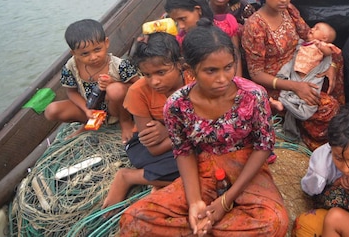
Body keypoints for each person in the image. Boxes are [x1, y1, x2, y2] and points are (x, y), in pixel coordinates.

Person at [119, 21, 288, 237]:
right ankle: (205, 225)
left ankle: (203, 229)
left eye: (228, 67)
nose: (222, 78)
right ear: (190, 70)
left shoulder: (253, 95)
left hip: (246, 167)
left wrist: (226, 201)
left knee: (273, 223)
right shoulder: (177, 104)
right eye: (211, 71)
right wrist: (195, 203)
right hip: (204, 168)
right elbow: (184, 151)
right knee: (135, 218)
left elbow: (263, 146)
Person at [241, 0, 340, 150]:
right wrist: (296, 87)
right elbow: (256, 74)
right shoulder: (255, 26)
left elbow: (307, 35)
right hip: (278, 82)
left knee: (335, 55)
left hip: (300, 66)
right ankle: (308, 136)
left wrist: (329, 65)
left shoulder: (289, 10)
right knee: (328, 108)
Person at [102, 31, 190, 209]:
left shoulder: (193, 81)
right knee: (190, 166)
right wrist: (182, 133)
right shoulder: (138, 92)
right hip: (147, 147)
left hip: (179, 137)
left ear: (179, 65)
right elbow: (154, 148)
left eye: (161, 72)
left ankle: (158, 180)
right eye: (147, 75)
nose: (155, 81)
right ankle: (128, 177)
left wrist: (169, 131)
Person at [293, 106, 349, 237]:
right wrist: (337, 184)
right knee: (330, 198)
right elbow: (310, 190)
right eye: (338, 158)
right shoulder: (321, 164)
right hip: (333, 192)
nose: (346, 168)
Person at [44, 19, 137, 143]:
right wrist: (87, 111)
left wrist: (113, 83)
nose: (93, 57)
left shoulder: (119, 65)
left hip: (117, 110)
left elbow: (139, 86)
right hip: (91, 109)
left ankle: (125, 122)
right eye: (84, 54)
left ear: (106, 43)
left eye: (97, 49)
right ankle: (90, 123)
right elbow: (71, 92)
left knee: (115, 90)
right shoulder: (72, 66)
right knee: (51, 111)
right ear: (74, 53)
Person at [165, 0, 243, 76]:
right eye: (176, 22)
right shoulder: (181, 40)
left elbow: (236, 55)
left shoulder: (225, 24)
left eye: (183, 19)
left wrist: (238, 84)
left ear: (198, 10)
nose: (181, 26)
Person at [273, 21, 341, 120]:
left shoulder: (322, 46)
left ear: (324, 38)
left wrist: (320, 45)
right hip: (295, 74)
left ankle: (287, 106)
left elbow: (328, 53)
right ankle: (281, 103)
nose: (312, 29)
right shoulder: (303, 43)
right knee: (287, 91)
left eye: (317, 28)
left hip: (309, 78)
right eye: (313, 27)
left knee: (309, 101)